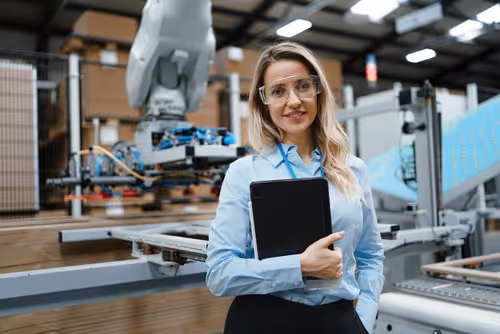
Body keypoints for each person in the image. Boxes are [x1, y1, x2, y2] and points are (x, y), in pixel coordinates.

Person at [205, 41, 385, 334]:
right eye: (278, 91)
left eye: (303, 86)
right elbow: (219, 273)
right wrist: (299, 267)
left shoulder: (353, 170)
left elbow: (371, 257)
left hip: (337, 320)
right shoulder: (244, 173)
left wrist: (363, 317)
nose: (293, 100)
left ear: (318, 91)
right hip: (262, 320)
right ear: (264, 104)